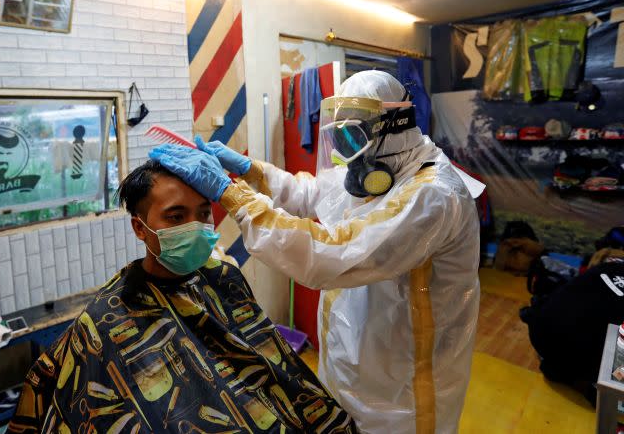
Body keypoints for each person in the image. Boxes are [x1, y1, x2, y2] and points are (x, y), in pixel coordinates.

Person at [149, 71, 483, 434]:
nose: (345, 148)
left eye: (353, 134)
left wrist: (234, 197)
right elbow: (309, 193)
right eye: (339, 135)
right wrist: (249, 170)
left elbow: (332, 252)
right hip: (347, 366)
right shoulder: (373, 161)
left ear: (393, 127)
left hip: (403, 395)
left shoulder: (433, 195)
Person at [7, 160, 357, 433]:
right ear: (139, 228)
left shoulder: (225, 278)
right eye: (176, 216)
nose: (195, 225)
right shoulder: (104, 319)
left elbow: (271, 366)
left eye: (203, 213)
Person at [522, 226, 624, 405]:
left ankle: (558, 366)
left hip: (540, 330)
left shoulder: (608, 264)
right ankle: (594, 387)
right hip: (580, 355)